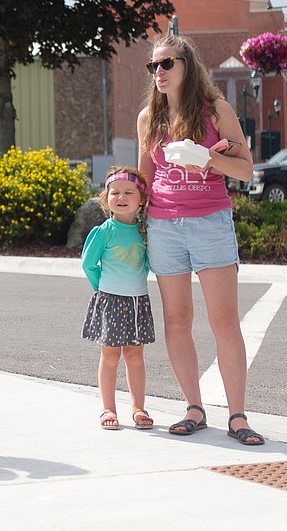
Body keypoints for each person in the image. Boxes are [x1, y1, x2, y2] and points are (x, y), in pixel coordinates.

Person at [136, 34, 265, 445]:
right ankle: (194, 407)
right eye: (153, 66)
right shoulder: (148, 120)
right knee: (177, 320)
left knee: (224, 321)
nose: (158, 72)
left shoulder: (217, 111)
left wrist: (207, 157)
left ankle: (238, 416)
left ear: (186, 66)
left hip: (210, 221)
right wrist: (120, 205)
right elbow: (145, 181)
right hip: (163, 226)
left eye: (166, 64)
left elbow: (246, 171)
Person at [80, 166, 155, 431]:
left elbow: (148, 264)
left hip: (137, 301)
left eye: (128, 192)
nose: (121, 197)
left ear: (141, 199)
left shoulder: (146, 231)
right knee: (110, 355)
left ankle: (138, 407)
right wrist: (103, 290)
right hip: (110, 300)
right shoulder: (105, 231)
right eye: (115, 193)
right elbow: (89, 264)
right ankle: (108, 409)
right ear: (106, 198)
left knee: (135, 355)